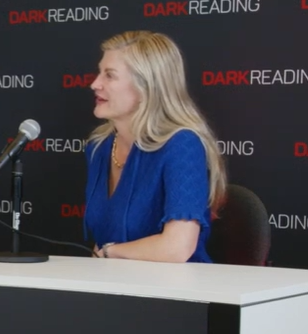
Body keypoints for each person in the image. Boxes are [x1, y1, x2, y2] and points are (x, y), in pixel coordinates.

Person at [83, 30, 229, 264]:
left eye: (109, 76)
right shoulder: (99, 148)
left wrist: (110, 252)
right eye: (99, 73)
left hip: (177, 293)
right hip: (116, 287)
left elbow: (177, 248)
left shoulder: (182, 145)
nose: (95, 84)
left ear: (146, 88)